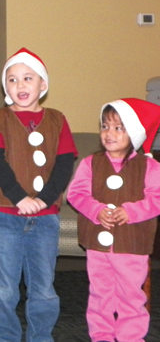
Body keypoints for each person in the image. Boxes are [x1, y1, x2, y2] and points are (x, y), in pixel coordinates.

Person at [0, 48, 77, 342]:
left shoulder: (58, 119)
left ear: (42, 85)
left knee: (43, 287)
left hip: (45, 219)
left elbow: (63, 165)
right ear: (5, 87)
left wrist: (43, 199)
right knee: (4, 287)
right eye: (12, 79)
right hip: (5, 216)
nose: (20, 85)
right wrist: (19, 197)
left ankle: (41, 337)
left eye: (27, 78)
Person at [67, 98, 160, 342]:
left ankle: (131, 337)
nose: (109, 133)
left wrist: (132, 211)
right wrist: (95, 209)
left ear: (134, 133)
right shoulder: (91, 163)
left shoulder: (149, 167)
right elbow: (75, 194)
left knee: (131, 295)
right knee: (100, 293)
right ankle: (102, 336)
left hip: (132, 246)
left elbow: (157, 198)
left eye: (119, 128)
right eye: (105, 126)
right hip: (98, 247)